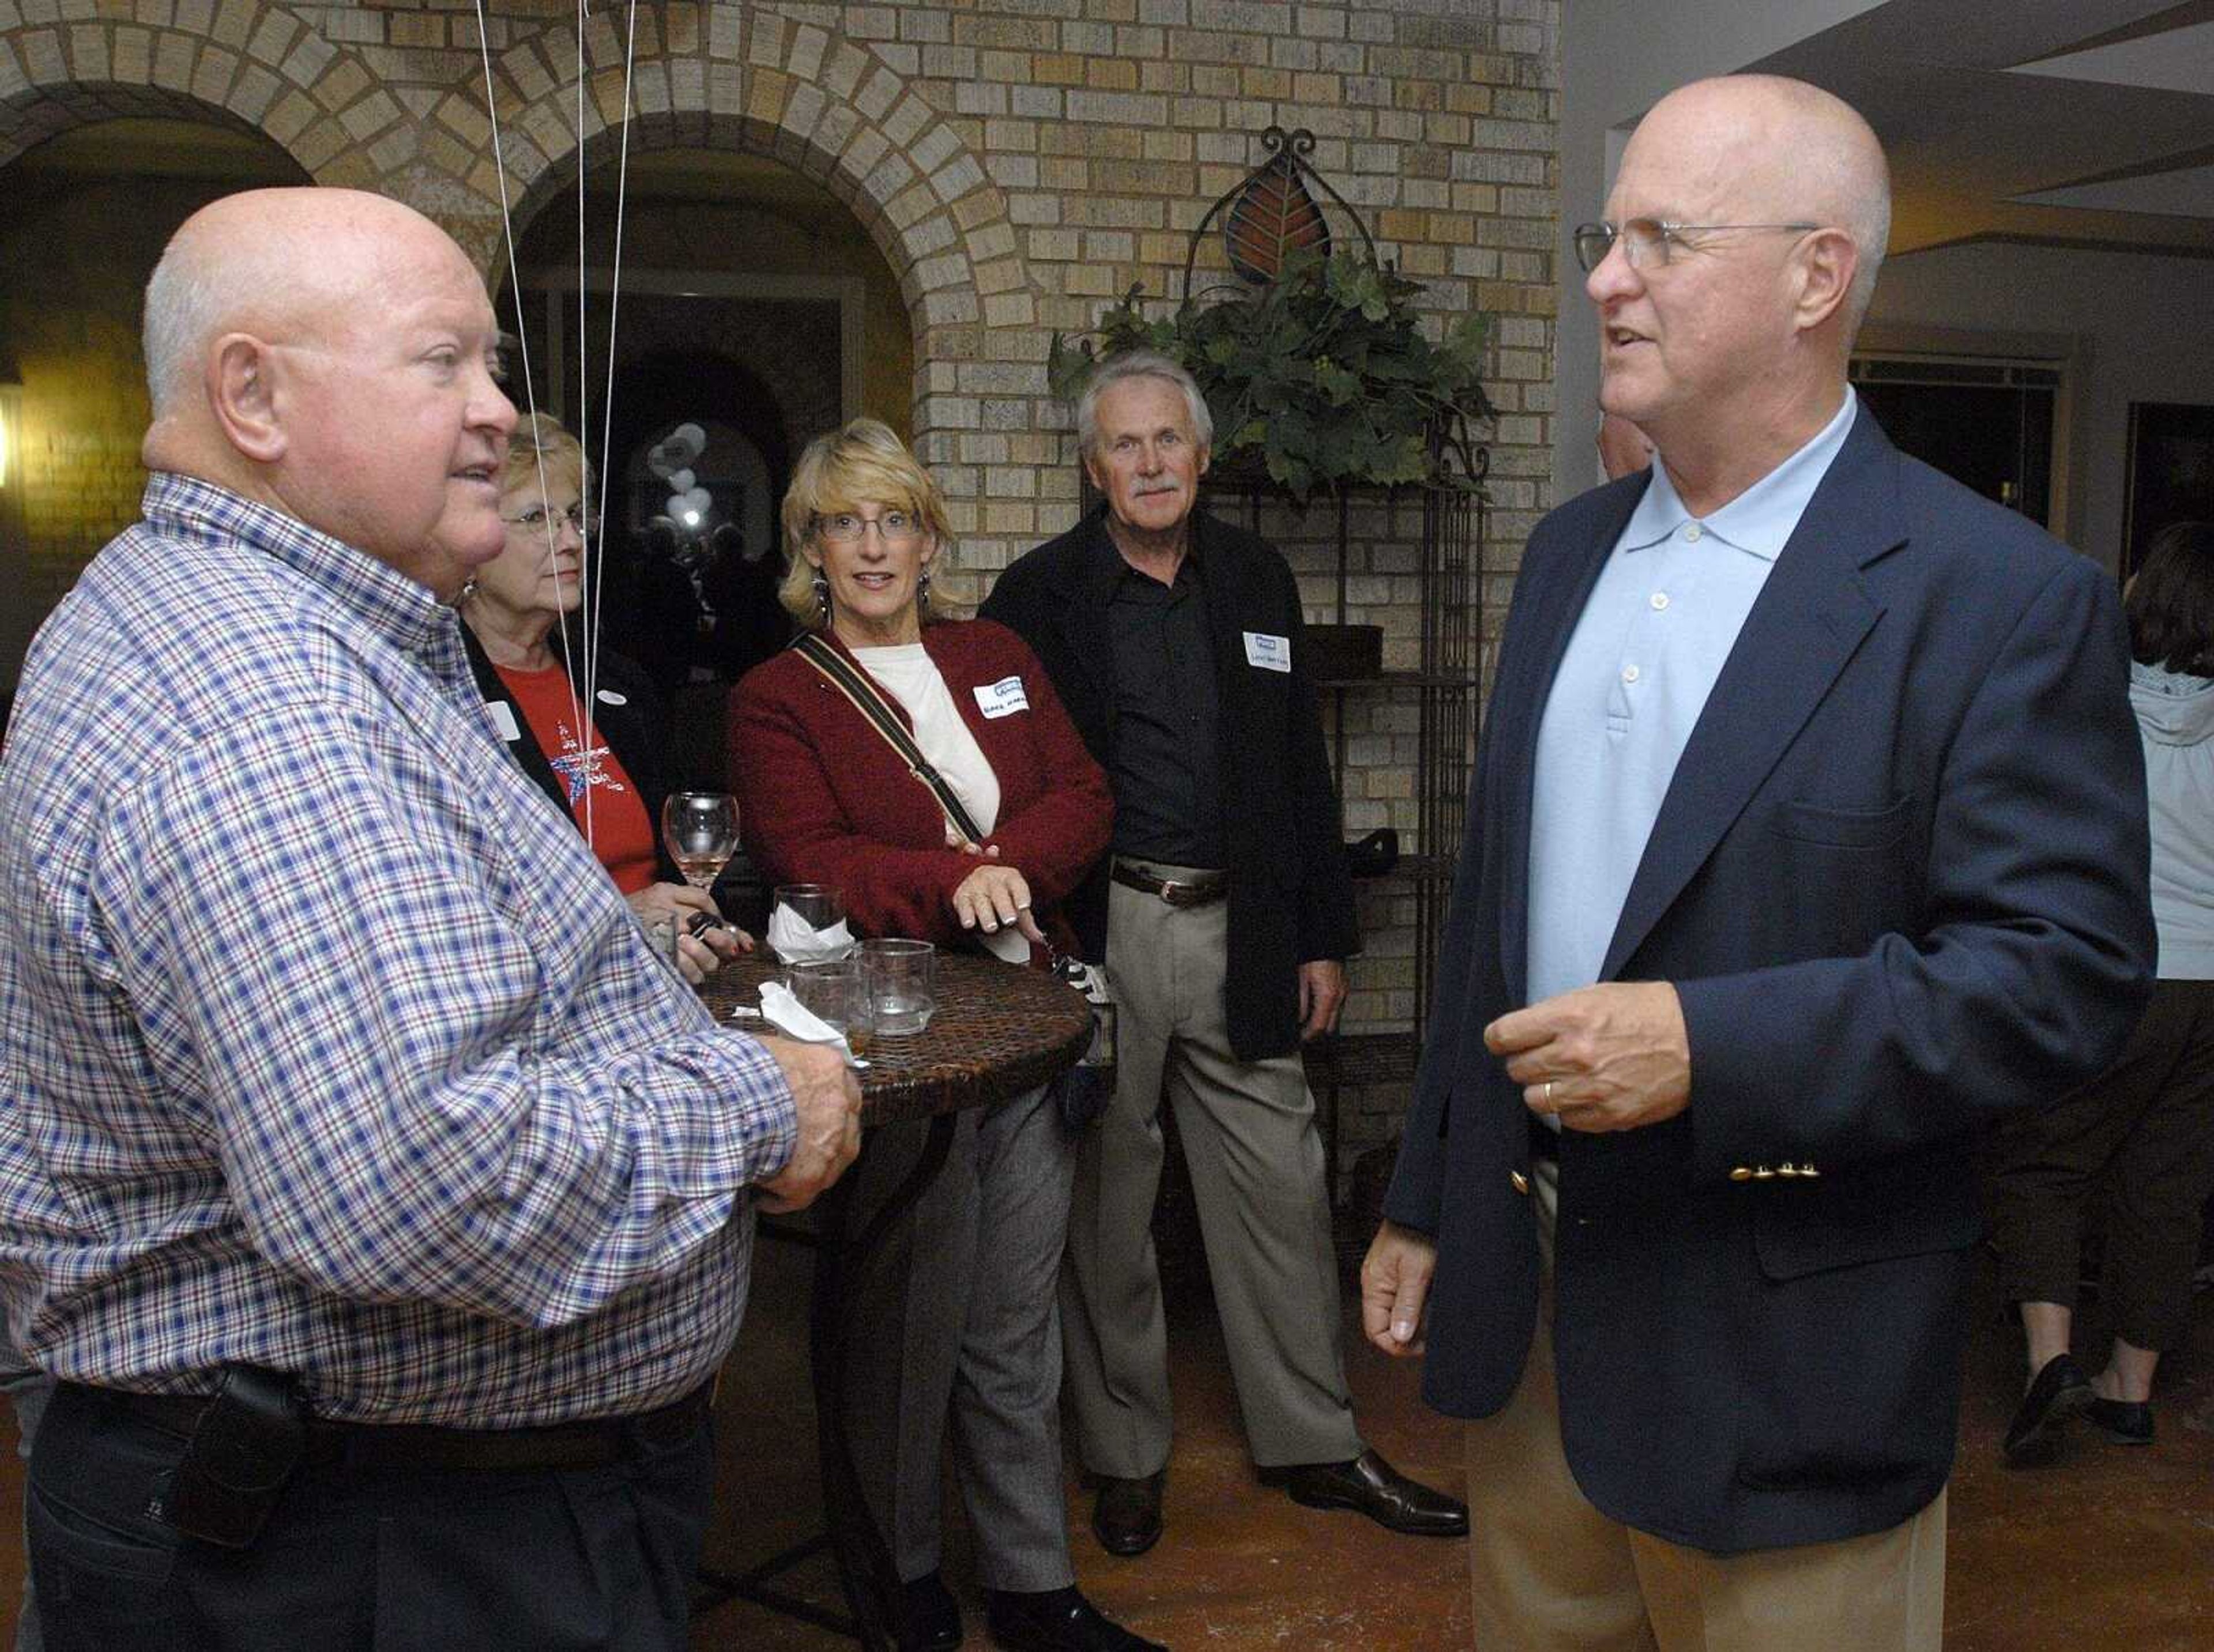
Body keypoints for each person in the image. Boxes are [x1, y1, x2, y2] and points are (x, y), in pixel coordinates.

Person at [0, 187, 861, 1652]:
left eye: (494, 366)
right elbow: (418, 1177)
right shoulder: (267, 702)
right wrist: (758, 1103)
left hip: (364, 1521)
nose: (494, 411)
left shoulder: (285, 628)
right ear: (251, 393)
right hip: (378, 1549)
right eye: (441, 363)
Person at [1361, 74, 2154, 1650]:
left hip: (1792, 1367)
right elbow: (1493, 927)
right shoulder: (1565, 555)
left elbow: (2062, 977)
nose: (1603, 277)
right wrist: (1428, 1196)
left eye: (1659, 236)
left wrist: (1708, 1046)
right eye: (1610, 232)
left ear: (1816, 277)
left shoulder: (1996, 596)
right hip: (1532, 1348)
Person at [981, 351, 1467, 1558]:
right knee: (1110, 1203)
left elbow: (1299, 765)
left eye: (1169, 442)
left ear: (1202, 457)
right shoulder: (1034, 595)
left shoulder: (1256, 575)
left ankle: (1316, 1441)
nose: (1149, 463)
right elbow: (1003, 780)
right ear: (1094, 469)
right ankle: (1126, 1455)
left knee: (1284, 1192)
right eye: (1125, 446)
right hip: (1108, 929)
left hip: (1244, 925)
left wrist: (1318, 933)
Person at [730, 418, 1157, 1652]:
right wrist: (956, 883)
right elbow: (817, 864)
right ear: (811, 545)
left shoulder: (994, 650)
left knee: (1014, 1324)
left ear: (931, 536)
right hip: (910, 1044)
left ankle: (1031, 1584)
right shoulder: (780, 697)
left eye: (896, 518)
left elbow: (1084, 793)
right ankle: (903, 1577)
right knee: (910, 1325)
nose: (874, 545)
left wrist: (1003, 867)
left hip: (1033, 1023)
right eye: (844, 522)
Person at [1985, 519, 2214, 1465]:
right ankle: (2131, 1388)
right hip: (2210, 988)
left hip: (2113, 970)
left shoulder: (2093, 706)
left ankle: (2052, 1361)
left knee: (2045, 1155)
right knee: (2167, 1185)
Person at [459, 411, 744, 985]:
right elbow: (456, 918)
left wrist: (695, 926)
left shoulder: (619, 686)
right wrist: (620, 924)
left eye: (572, 517)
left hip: (657, 986)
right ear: (474, 538)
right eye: (538, 518)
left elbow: (670, 866)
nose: (569, 541)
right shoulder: (442, 696)